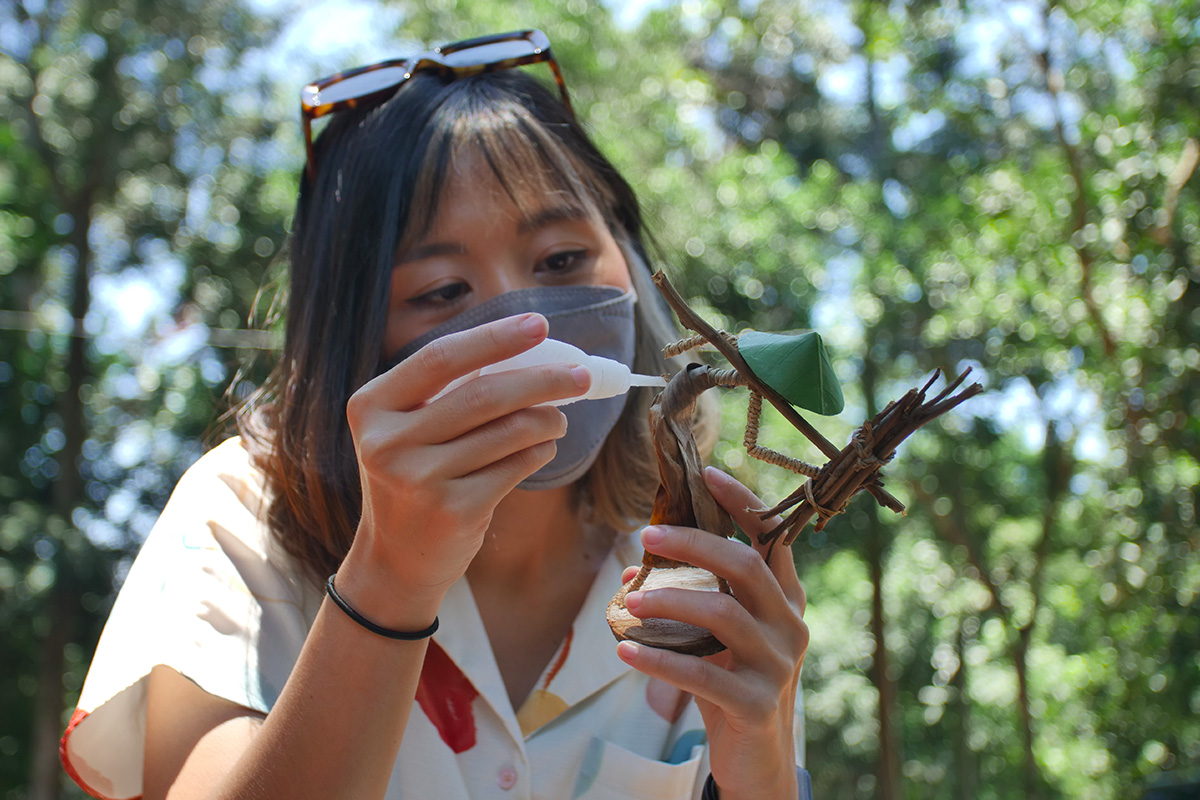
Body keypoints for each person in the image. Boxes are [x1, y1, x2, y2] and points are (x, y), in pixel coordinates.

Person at [62, 30, 812, 800]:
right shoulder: (242, 519)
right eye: (442, 293)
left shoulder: (703, 568)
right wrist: (391, 579)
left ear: (630, 263)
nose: (527, 326)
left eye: (560, 261)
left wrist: (761, 765)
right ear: (357, 338)